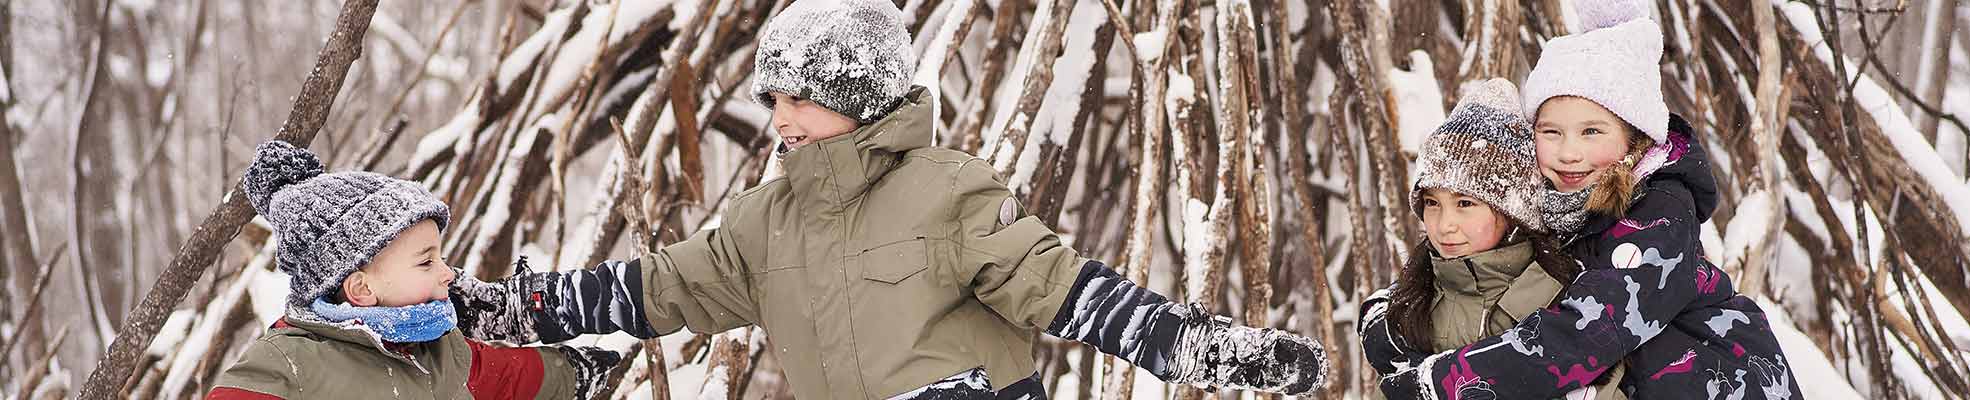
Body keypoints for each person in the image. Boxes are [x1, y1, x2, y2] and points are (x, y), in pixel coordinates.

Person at [448, 0, 1328, 398]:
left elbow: (1066, 292)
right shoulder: (764, 221)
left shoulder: (947, 190)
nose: (779, 117)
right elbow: (654, 290)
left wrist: (1196, 347)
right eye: (774, 97)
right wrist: (523, 308)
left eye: (800, 97)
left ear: (862, 97)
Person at [1376, 0, 1800, 398]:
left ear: (1634, 136)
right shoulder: (1555, 204)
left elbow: (1585, 333)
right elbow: (1445, 283)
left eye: (1591, 131)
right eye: (1550, 131)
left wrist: (1443, 381)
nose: (1568, 152)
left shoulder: (1658, 217)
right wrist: (1383, 329)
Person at [206, 141, 622, 400]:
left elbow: (507, 380)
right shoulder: (288, 363)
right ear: (361, 288)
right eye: (426, 261)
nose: (448, 274)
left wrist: (578, 372)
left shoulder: (435, 350)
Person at [1358, 79, 1622, 399]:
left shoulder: (1565, 304)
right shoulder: (1410, 304)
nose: (1445, 225)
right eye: (1432, 203)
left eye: (1465, 204)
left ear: (1512, 211)